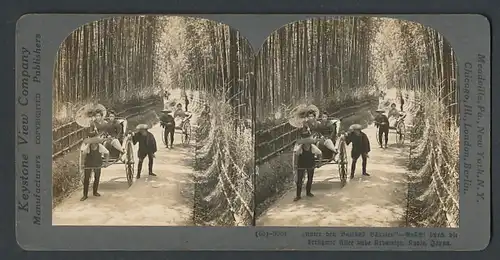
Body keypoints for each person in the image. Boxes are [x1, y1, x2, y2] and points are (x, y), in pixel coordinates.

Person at [292, 130, 322, 202]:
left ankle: (308, 192)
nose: (306, 145)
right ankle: (298, 195)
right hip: (301, 164)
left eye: (307, 143)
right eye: (305, 143)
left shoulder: (313, 147)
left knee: (310, 178)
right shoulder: (300, 148)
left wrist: (319, 162)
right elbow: (296, 155)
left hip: (310, 164)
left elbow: (320, 153)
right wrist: (295, 165)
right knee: (299, 180)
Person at [80, 132, 110, 201]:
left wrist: (106, 162)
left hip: (97, 163)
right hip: (89, 164)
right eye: (92, 143)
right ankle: (85, 195)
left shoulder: (100, 146)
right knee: (86, 179)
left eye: (94, 143)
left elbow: (107, 153)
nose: (93, 145)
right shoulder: (88, 146)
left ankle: (95, 192)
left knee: (97, 177)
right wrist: (82, 164)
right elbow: (83, 154)